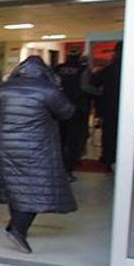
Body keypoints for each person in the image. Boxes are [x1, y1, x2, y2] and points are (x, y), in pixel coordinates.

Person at [0, 56, 77, 254]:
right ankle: (18, 228)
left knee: (15, 186)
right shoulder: (48, 89)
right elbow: (68, 112)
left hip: (6, 145)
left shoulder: (4, 88)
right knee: (37, 187)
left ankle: (16, 225)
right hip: (37, 146)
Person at [54, 49, 89, 180]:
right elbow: (86, 87)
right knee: (73, 141)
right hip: (76, 109)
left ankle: (57, 169)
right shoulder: (82, 69)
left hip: (59, 108)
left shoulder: (58, 68)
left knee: (59, 140)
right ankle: (67, 170)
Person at [93, 42, 123, 170]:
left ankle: (108, 158)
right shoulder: (132, 66)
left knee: (109, 133)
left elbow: (95, 82)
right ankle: (120, 157)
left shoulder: (110, 68)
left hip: (110, 106)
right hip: (125, 107)